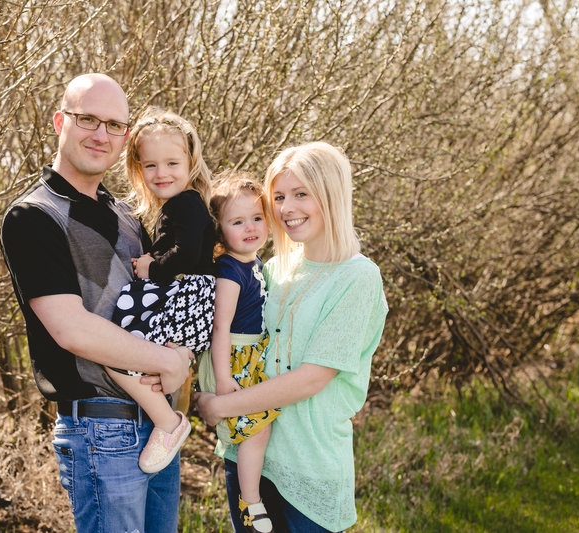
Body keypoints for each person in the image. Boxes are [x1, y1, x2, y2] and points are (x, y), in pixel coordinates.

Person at [0, 73, 192, 533]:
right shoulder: (34, 217)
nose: (101, 134)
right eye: (88, 119)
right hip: (102, 433)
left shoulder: (128, 215)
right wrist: (168, 361)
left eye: (114, 125)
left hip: (159, 424)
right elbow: (73, 330)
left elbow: (162, 301)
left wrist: (183, 355)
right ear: (60, 120)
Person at [195, 142, 388, 533]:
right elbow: (226, 332)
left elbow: (313, 378)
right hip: (249, 455)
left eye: (301, 194)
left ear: (331, 194)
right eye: (279, 196)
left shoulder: (358, 277)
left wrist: (220, 407)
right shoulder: (273, 269)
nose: (287, 208)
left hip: (309, 464)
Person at [108, 107, 216, 474]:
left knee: (114, 354)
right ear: (138, 168)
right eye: (150, 165)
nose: (162, 173)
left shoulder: (186, 203)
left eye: (172, 163)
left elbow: (183, 255)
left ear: (191, 161)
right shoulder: (181, 205)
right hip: (188, 300)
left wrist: (151, 265)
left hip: (184, 299)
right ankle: (168, 410)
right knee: (131, 356)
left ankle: (168, 423)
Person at [197, 171, 281, 533]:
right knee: (256, 429)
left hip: (250, 355)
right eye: (237, 221)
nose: (250, 228)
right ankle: (249, 501)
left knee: (260, 428)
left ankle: (251, 495)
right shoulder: (230, 270)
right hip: (233, 358)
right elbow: (221, 329)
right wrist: (223, 378)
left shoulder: (255, 263)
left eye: (257, 218)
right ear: (221, 230)